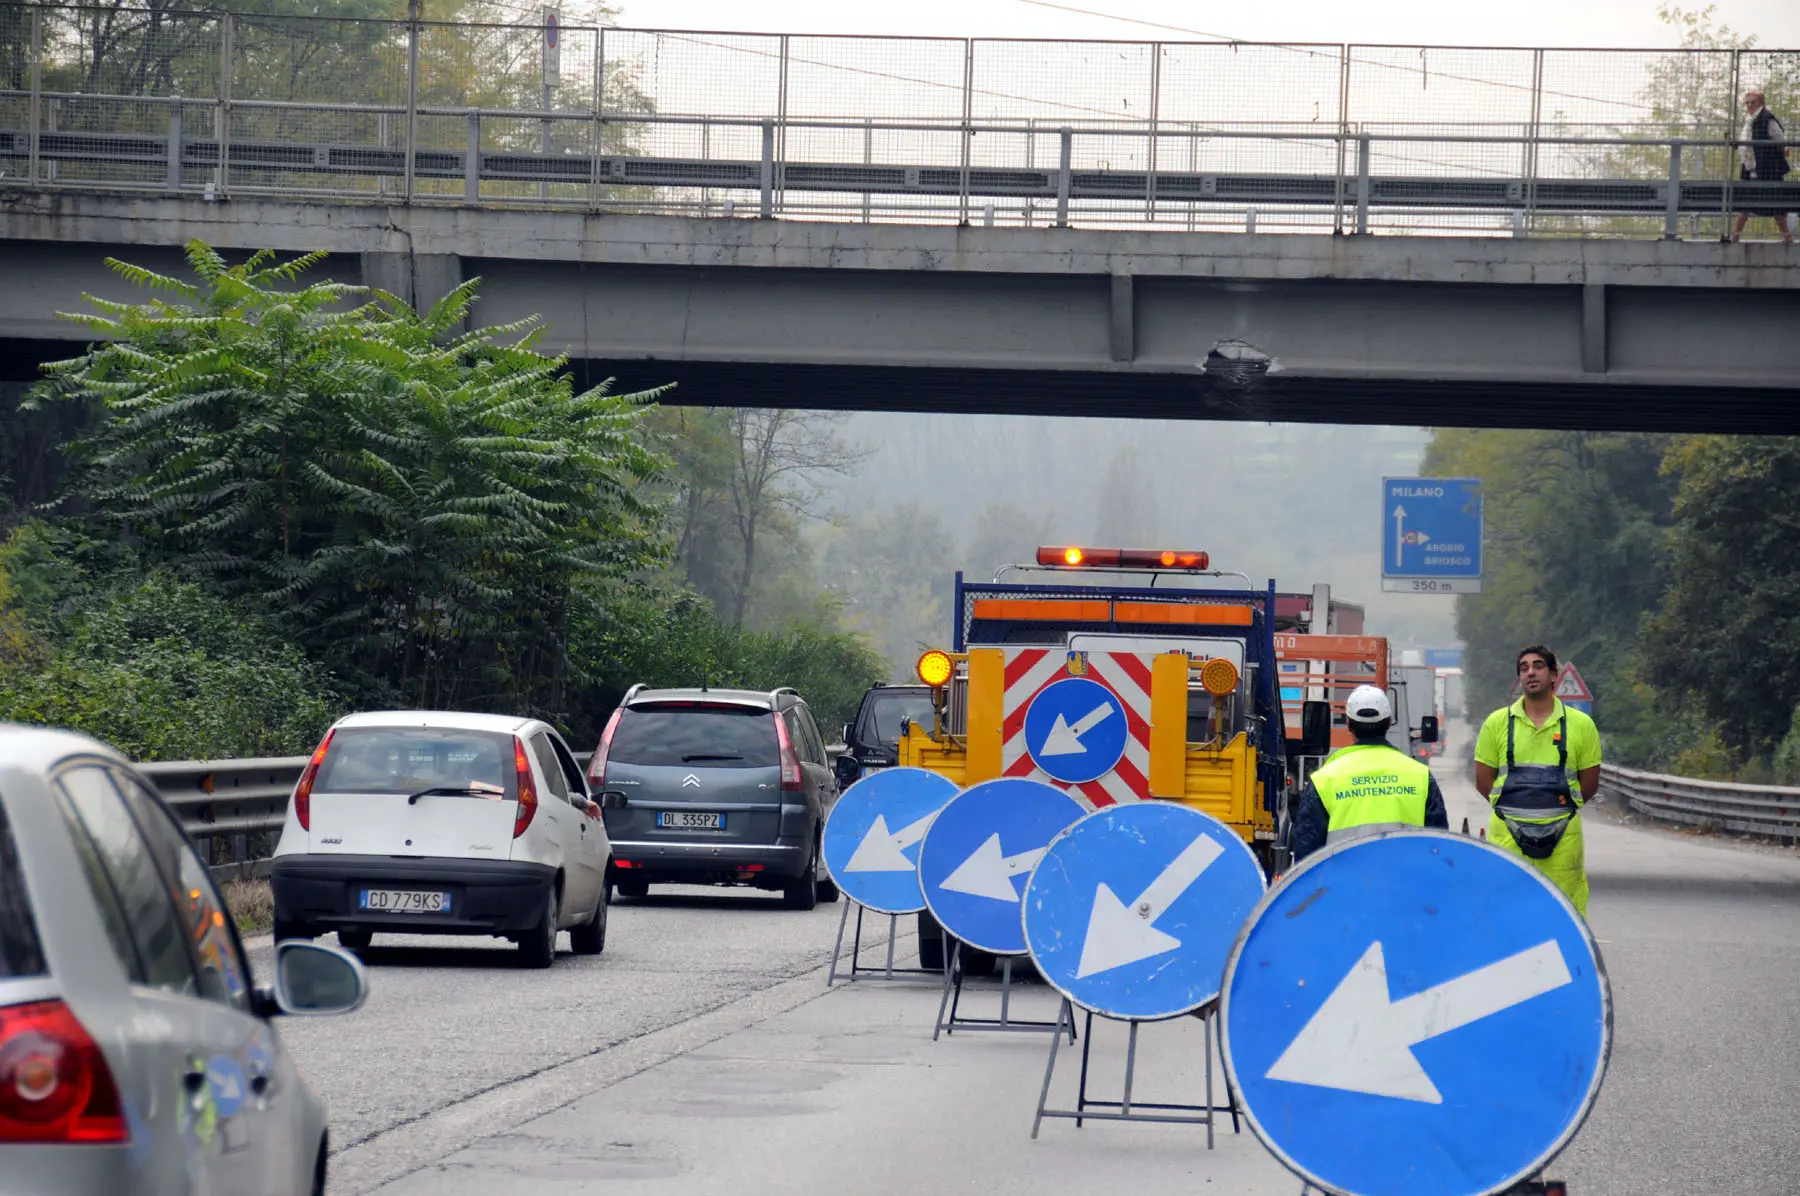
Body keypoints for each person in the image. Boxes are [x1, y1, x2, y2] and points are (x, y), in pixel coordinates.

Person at [1474, 645, 1603, 915]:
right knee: (1508, 915)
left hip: (1563, 838)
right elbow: (1483, 780)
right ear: (1519, 678)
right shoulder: (1497, 723)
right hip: (1507, 836)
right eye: (1524, 668)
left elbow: (1589, 783)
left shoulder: (1581, 725)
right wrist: (1515, 812)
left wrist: (1555, 813)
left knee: (1563, 914)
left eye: (1538, 666)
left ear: (1554, 676)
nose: (1530, 673)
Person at [1291, 684, 1447, 861]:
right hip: (1406, 886)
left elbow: (1305, 860)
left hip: (1344, 887)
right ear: (1388, 722)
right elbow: (1439, 848)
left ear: (1349, 725)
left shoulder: (1324, 781)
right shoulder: (1420, 777)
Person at [1728, 88, 1793, 245]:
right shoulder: (1749, 120)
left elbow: (1779, 138)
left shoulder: (1767, 119)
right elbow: (1747, 141)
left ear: (1761, 103)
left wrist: (1782, 150)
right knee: (1745, 202)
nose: (1749, 105)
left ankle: (1787, 237)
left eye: (1753, 102)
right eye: (1747, 103)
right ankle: (1735, 236)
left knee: (1775, 204)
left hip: (1767, 168)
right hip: (1750, 167)